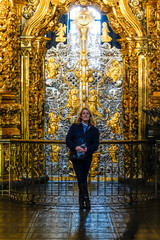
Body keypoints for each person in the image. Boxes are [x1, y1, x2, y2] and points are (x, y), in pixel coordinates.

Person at [66, 107, 99, 209]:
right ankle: (86, 198)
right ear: (80, 116)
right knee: (80, 177)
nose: (85, 115)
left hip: (87, 156)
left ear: (90, 116)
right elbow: (68, 139)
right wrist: (75, 147)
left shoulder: (94, 130)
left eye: (87, 114)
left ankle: (82, 201)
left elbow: (96, 144)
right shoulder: (75, 127)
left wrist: (87, 149)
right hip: (76, 156)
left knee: (83, 177)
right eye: (83, 113)